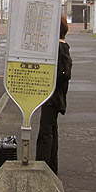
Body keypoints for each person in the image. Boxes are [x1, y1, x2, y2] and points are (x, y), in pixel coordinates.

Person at [36, 15, 72, 175]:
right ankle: (51, 169)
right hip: (57, 96)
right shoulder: (64, 47)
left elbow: (60, 74)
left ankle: (42, 169)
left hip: (52, 96)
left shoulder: (58, 49)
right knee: (52, 131)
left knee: (46, 133)